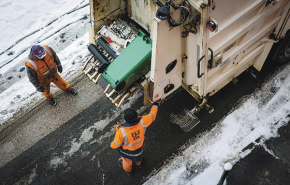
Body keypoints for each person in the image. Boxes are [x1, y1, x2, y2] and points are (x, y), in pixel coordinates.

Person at [110, 101, 160, 175]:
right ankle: (139, 165)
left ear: (126, 120)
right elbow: (152, 115)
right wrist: (156, 104)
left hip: (127, 151)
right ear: (136, 116)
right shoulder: (143, 121)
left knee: (127, 162)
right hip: (139, 147)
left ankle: (128, 171)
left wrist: (111, 146)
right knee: (138, 157)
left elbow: (116, 144)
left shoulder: (122, 130)